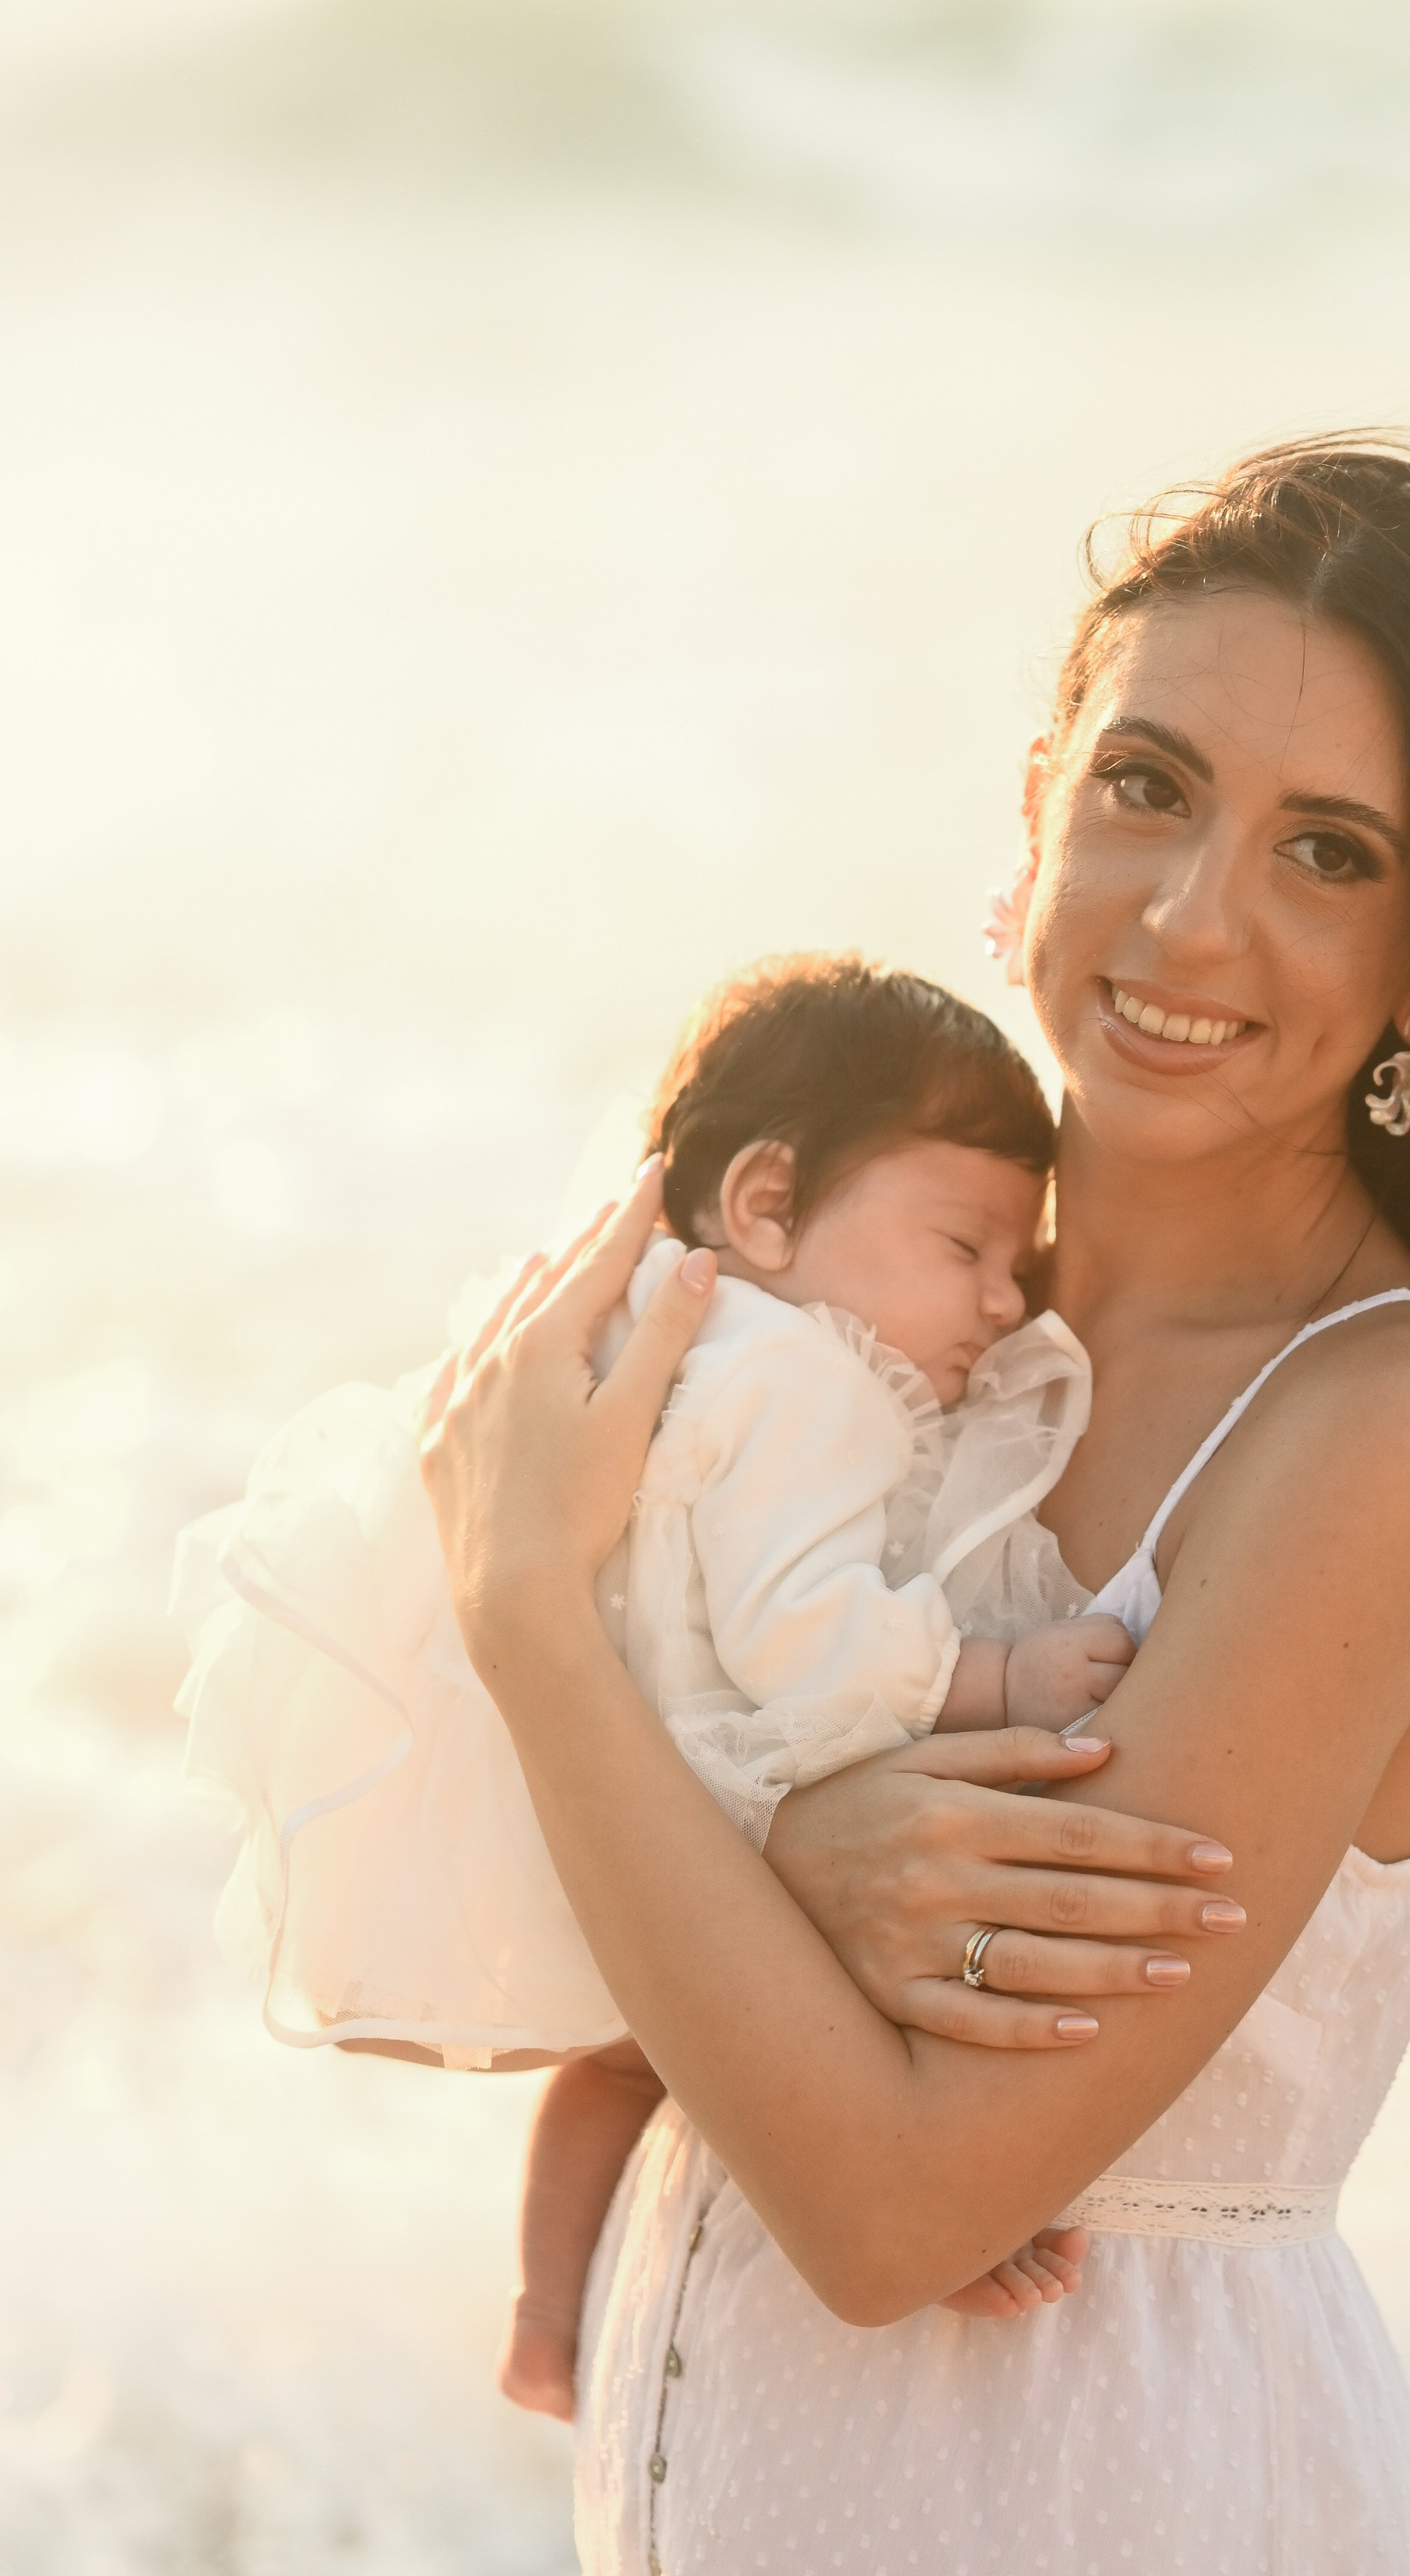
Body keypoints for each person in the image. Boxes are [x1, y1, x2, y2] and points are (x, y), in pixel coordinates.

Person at [417, 436, 1410, 2576]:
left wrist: (533, 1619)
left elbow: (898, 2198)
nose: (1189, 919)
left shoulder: (1385, 1434)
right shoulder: (906, 1322)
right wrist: (776, 1847)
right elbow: (494, 1896)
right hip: (740, 2507)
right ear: (1037, 792)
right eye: (1148, 787)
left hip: (1092, 2565)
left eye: (1325, 854)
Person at [175, 957, 1139, 2409]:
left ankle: (547, 2320)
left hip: (620, 1774)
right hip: (718, 1784)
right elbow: (802, 1641)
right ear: (763, 1205)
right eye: (967, 1246)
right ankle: (945, 2215)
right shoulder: (812, 1384)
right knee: (812, 2029)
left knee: (624, 2059)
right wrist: (991, 1670)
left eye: (1023, 1262)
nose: (1006, 1300)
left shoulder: (662, 1337)